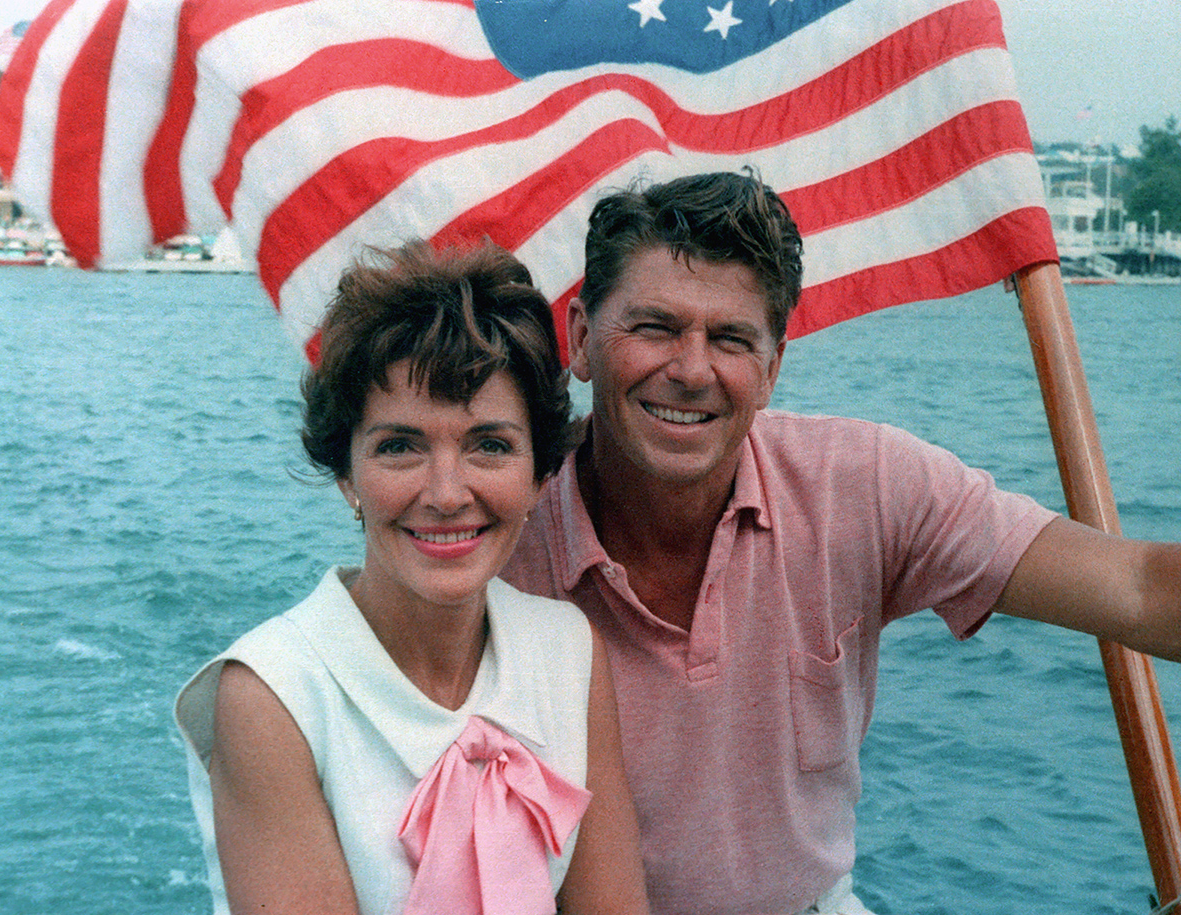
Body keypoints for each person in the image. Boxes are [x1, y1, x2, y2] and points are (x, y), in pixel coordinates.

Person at [501, 170, 1181, 915]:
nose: (691, 370)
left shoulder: (861, 484)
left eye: (731, 339)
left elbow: (1140, 588)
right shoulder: (498, 536)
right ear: (581, 339)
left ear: (772, 369)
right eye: (655, 327)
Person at [176, 240, 650, 915]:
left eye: (490, 445)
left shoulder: (569, 651)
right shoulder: (273, 696)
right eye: (400, 446)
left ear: (541, 476)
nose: (447, 493)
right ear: (346, 475)